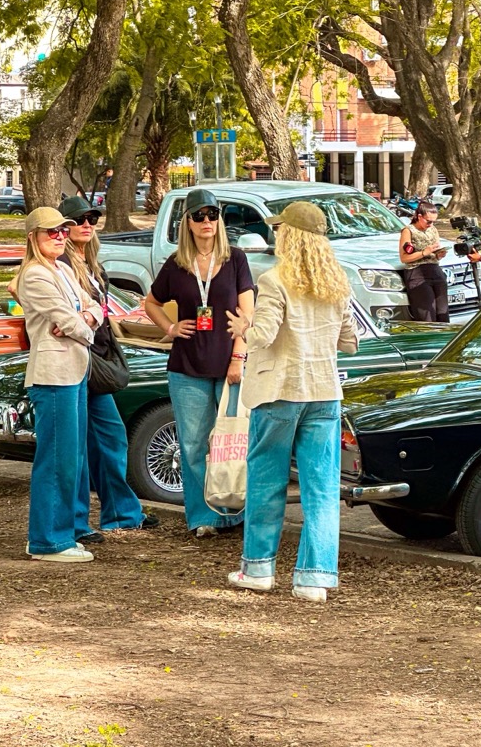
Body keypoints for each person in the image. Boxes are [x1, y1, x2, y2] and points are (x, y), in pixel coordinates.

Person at [226, 201, 359, 604]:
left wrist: (243, 327)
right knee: (322, 489)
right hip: (323, 393)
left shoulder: (274, 280)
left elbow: (263, 335)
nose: (275, 234)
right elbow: (350, 342)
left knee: (267, 483)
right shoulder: (337, 282)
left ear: (290, 235)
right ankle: (314, 579)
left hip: (279, 391)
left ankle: (258, 569)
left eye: (279, 229)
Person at [144, 188, 255, 538]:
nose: (207, 221)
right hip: (187, 366)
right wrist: (170, 328)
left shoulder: (236, 259)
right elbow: (151, 303)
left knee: (233, 443)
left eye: (213, 214)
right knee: (192, 445)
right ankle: (204, 517)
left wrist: (238, 356)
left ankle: (236, 511)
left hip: (229, 364)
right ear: (188, 223)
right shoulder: (177, 264)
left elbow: (247, 315)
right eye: (199, 216)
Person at [58, 196, 159, 543]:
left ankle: (121, 513)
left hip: (98, 360)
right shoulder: (60, 265)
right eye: (79, 220)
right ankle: (76, 524)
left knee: (111, 438)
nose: (87, 225)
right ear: (64, 227)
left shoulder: (92, 264)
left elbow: (102, 312)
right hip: (74, 360)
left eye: (92, 218)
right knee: (76, 449)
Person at [16, 207, 104, 563]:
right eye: (51, 232)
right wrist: (81, 324)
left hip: (75, 371)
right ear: (33, 237)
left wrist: (83, 318)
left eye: (63, 232)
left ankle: (62, 534)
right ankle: (47, 541)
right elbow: (71, 322)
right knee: (57, 460)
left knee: (73, 458)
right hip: (53, 376)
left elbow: (96, 307)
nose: (59, 237)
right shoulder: (34, 275)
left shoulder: (64, 269)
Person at [398, 201, 449, 322]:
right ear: (419, 217)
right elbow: (404, 258)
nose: (431, 225)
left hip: (435, 270)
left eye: (434, 222)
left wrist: (439, 254)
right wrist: (424, 253)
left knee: (442, 313)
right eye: (429, 221)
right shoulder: (408, 231)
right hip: (417, 273)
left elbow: (435, 250)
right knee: (427, 315)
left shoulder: (433, 229)